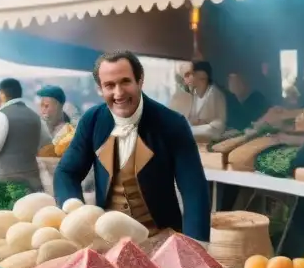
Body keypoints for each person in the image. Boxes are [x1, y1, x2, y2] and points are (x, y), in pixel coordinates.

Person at [55, 51, 210, 240]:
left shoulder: (173, 123)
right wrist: (74, 209)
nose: (118, 93)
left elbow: (194, 190)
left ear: (140, 80)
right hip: (108, 242)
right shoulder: (92, 120)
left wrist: (197, 245)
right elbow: (67, 171)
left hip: (163, 238)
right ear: (99, 89)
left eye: (125, 82)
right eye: (109, 85)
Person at [0, 78, 49, 191]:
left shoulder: (1, 116)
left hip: (8, 184)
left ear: (2, 94)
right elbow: (46, 143)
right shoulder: (35, 116)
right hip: (33, 182)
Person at [185, 60, 227, 141]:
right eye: (196, 77)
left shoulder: (216, 94)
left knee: (187, 132)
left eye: (202, 79)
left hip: (212, 130)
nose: (198, 80)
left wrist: (205, 122)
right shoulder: (192, 95)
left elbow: (221, 121)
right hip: (194, 129)